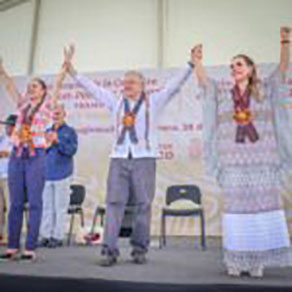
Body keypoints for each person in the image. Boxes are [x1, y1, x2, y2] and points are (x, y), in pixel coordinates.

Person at [63, 45, 196, 266]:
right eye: (124, 83)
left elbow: (174, 86)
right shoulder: (115, 103)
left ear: (142, 85)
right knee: (114, 203)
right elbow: (93, 89)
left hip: (144, 159)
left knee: (143, 204)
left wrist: (190, 65)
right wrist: (73, 72)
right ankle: (109, 251)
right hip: (119, 159)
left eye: (131, 83)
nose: (127, 86)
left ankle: (139, 249)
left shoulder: (154, 101)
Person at [192, 27, 292, 277]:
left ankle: (257, 262)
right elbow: (204, 83)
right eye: (232, 65)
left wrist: (285, 42)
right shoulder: (223, 94)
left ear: (250, 68)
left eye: (239, 64)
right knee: (236, 212)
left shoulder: (265, 90)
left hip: (263, 162)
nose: (234, 68)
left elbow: (282, 70)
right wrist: (197, 63)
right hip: (233, 163)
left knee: (260, 211)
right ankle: (236, 261)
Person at [0, 48, 73, 261]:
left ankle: (30, 247)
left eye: (35, 86)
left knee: (34, 202)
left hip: (36, 156)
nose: (30, 89)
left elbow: (58, 86)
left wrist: (64, 67)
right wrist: (3, 71)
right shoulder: (23, 105)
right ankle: (13, 246)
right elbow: (10, 86)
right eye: (29, 86)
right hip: (17, 155)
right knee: (15, 203)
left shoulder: (48, 106)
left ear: (43, 91)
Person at [39, 104, 78, 248]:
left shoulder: (70, 132)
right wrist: (46, 146)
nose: (56, 115)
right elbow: (41, 151)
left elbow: (71, 151)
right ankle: (45, 235)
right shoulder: (46, 131)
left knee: (60, 207)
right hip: (46, 174)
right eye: (54, 113)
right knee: (46, 207)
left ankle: (57, 236)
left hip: (63, 174)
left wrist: (57, 142)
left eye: (58, 113)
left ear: (64, 114)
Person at [0, 114, 17, 244]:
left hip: (11, 176)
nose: (8, 127)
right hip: (0, 175)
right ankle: (1, 234)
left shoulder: (18, 140)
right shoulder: (1, 139)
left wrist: (7, 153)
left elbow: (20, 155)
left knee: (11, 207)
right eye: (7, 125)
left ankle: (9, 235)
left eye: (11, 125)